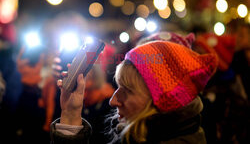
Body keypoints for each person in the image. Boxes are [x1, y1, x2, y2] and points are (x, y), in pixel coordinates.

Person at [50, 40, 218, 144]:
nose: (113, 100)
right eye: (118, 86)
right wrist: (71, 114)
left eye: (128, 90)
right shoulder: (137, 136)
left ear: (163, 102)